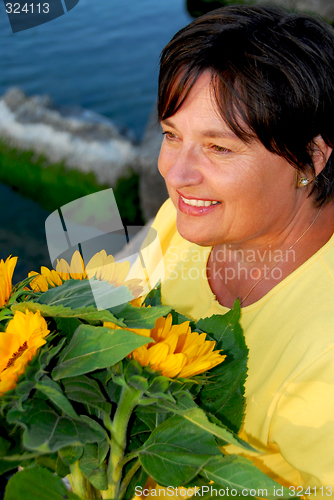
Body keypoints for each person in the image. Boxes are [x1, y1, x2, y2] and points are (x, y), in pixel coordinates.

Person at [142, 4, 334, 494]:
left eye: (219, 148)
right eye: (171, 135)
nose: (177, 175)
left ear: (310, 157)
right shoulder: (183, 223)